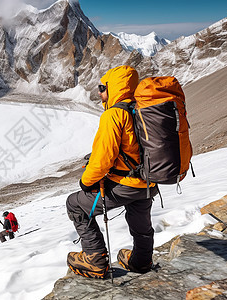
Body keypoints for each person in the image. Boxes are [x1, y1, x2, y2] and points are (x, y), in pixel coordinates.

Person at [66, 65, 158, 279]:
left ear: (113, 88)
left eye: (102, 88)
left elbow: (102, 159)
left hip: (123, 185)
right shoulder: (144, 110)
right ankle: (142, 261)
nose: (99, 93)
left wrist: (86, 182)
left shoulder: (114, 115)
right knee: (141, 222)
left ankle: (95, 259)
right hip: (148, 183)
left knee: (75, 204)